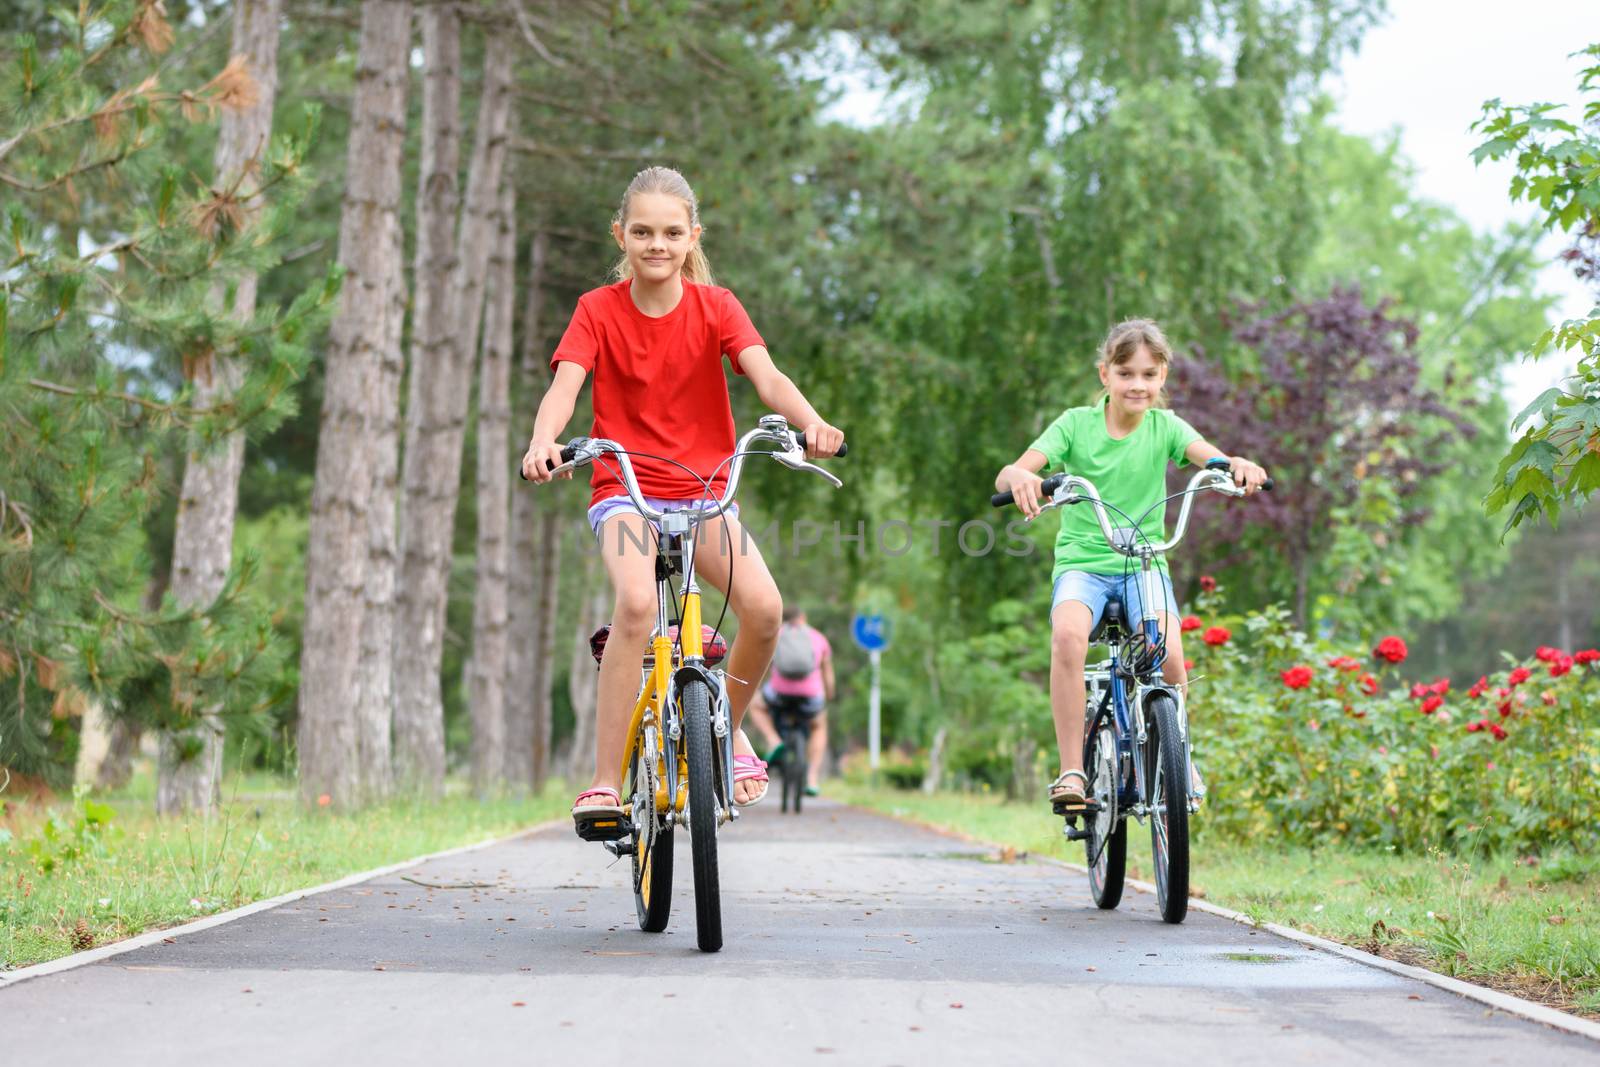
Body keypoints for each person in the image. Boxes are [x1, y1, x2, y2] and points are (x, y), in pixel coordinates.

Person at [520, 166, 844, 835]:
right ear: (622, 234)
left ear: (692, 235)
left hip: (704, 490)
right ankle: (606, 782)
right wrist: (544, 440)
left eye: (671, 232)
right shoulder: (597, 309)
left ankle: (721, 729)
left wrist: (813, 422)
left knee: (765, 606)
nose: (657, 244)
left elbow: (768, 375)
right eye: (642, 231)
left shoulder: (717, 306)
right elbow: (565, 386)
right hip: (626, 488)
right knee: (637, 603)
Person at [992, 319, 1267, 808]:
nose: (1136, 384)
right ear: (1105, 375)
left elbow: (1212, 459)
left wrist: (1236, 466)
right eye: (1125, 373)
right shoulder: (1075, 424)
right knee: (1068, 637)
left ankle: (1180, 755)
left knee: (1171, 654)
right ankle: (1072, 770)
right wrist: (1018, 476)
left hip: (1145, 564)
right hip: (1084, 564)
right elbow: (1012, 472)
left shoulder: (1167, 427)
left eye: (1148, 374)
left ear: (1162, 377)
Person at [745, 606, 835, 795]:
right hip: (810, 695)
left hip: (779, 694)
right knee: (819, 724)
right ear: (803, 617)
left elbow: (764, 666)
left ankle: (773, 740)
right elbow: (827, 673)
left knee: (755, 705)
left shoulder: (777, 635)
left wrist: (757, 689)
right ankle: (812, 778)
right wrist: (829, 695)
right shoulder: (818, 638)